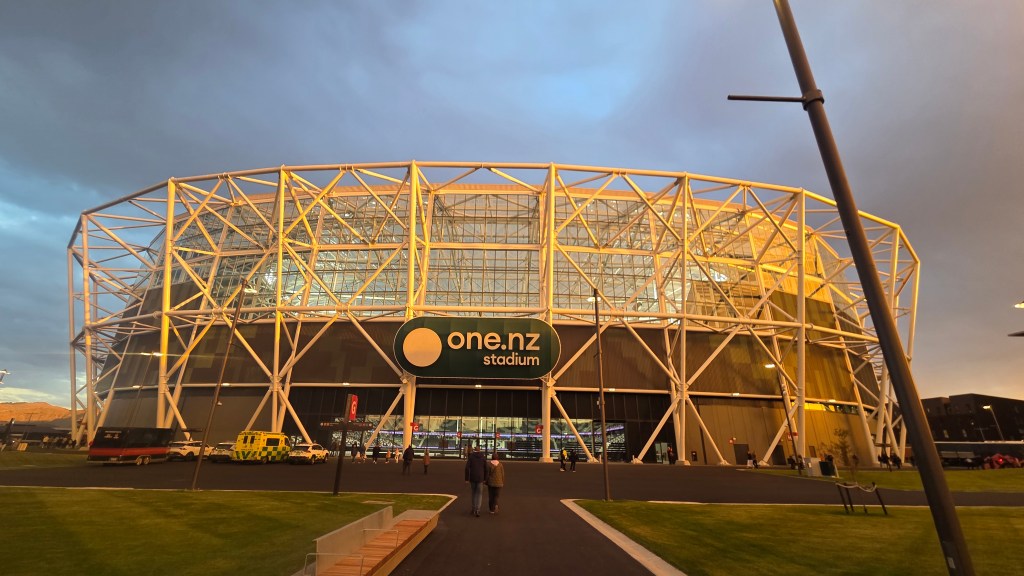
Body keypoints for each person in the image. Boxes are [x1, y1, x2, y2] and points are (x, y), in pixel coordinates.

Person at [465, 445, 487, 517]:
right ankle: (478, 510)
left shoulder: (471, 457)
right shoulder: (483, 457)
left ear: (474, 450)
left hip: (473, 477)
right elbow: (486, 468)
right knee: (479, 494)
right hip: (480, 478)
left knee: (473, 493)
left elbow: (467, 468)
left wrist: (466, 478)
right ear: (480, 450)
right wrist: (485, 478)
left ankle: (473, 509)